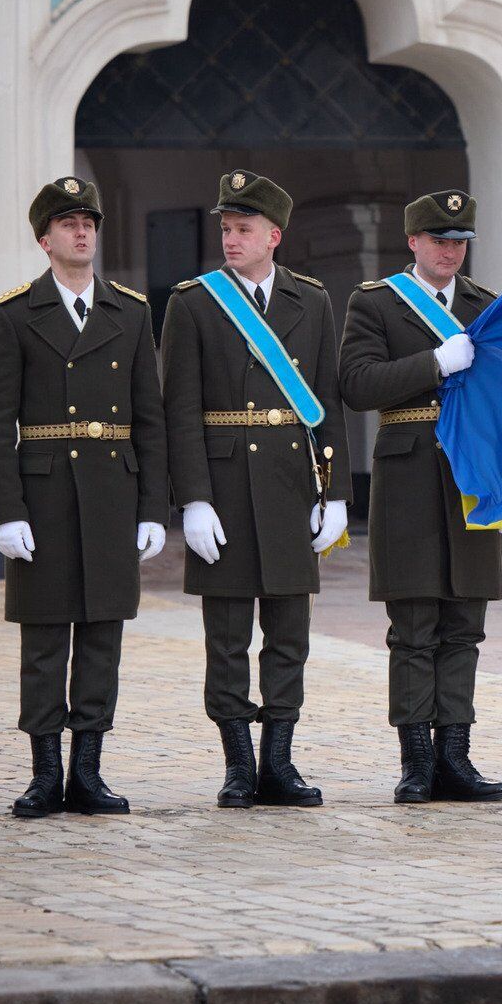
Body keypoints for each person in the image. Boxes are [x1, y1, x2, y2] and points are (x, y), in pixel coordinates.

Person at [0, 176, 167, 818]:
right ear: (44, 239)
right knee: (45, 639)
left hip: (113, 492)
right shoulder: (13, 314)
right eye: (67, 223)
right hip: (46, 497)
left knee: (102, 637)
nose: (82, 232)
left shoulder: (131, 311)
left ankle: (88, 771)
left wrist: (152, 509)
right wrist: (6, 511)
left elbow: (150, 416)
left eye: (89, 221)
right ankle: (43, 774)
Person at [159, 170, 350, 809]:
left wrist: (335, 492)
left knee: (290, 635)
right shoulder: (193, 302)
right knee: (229, 637)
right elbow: (178, 408)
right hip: (227, 488)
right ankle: (238, 766)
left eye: (243, 229)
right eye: (225, 228)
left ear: (275, 235)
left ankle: (279, 764)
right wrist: (193, 498)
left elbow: (325, 402)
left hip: (291, 484)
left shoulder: (314, 301)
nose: (231, 239)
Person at [339, 189, 502, 803]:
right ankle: (415, 761)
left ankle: (455, 758)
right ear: (413, 242)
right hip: (408, 474)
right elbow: (357, 384)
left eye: (460, 241)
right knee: (413, 625)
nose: (450, 251)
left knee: (464, 623)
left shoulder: (485, 306)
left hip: (470, 475)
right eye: (439, 239)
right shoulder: (376, 303)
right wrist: (434, 361)